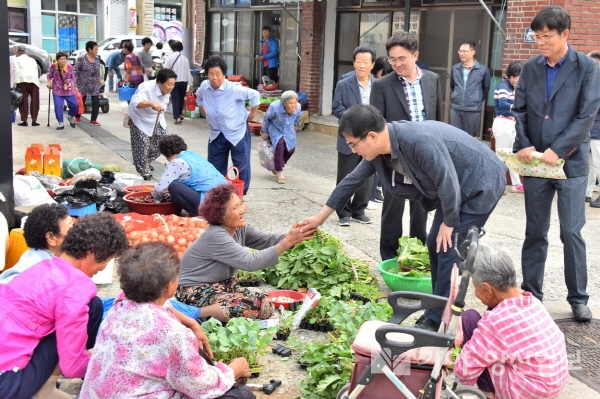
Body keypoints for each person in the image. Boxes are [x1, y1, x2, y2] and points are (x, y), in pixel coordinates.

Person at [302, 105, 506, 332]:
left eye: (353, 144)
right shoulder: (380, 152)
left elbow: (446, 180)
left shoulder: (418, 141)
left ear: (371, 136)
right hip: (457, 189)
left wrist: (449, 223)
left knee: (449, 248)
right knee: (433, 243)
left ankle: (438, 318)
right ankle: (438, 309)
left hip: (480, 183)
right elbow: (351, 181)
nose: (352, 151)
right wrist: (318, 218)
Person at [79, 242, 255, 399]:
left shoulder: (121, 303)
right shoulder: (171, 332)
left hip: (98, 393)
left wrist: (192, 323)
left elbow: (162, 304)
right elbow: (201, 385)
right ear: (169, 286)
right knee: (241, 395)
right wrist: (234, 369)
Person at [513, 5, 600, 322]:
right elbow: (519, 110)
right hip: (536, 163)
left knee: (571, 232)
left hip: (572, 165)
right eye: (536, 37)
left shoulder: (587, 68)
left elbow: (585, 116)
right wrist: (525, 144)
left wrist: (560, 149)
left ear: (565, 34)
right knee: (535, 231)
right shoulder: (532, 68)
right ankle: (531, 295)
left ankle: (578, 297)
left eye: (546, 36)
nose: (540, 42)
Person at [0, 213, 128, 399]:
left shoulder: (41, 267)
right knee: (92, 307)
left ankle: (44, 387)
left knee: (93, 306)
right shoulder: (76, 288)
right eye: (107, 260)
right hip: (7, 384)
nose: (103, 268)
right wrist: (109, 363)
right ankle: (56, 388)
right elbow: (72, 367)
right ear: (92, 252)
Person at [176, 184, 317, 322]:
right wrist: (288, 242)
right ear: (220, 217)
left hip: (222, 285)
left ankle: (214, 313)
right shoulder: (215, 235)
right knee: (254, 305)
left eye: (241, 203)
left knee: (265, 301)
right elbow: (251, 262)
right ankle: (193, 313)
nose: (242, 209)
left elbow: (266, 240)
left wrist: (296, 235)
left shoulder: (239, 228)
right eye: (235, 207)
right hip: (195, 290)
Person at [454, 245, 569, 399]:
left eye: (475, 288)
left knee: (469, 320)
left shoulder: (496, 321)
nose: (476, 294)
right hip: (553, 382)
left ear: (487, 288)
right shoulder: (531, 301)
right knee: (487, 341)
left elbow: (464, 371)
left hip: (528, 392)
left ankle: (490, 395)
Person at [370, 32, 444, 260]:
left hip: (425, 156)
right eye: (392, 59)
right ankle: (389, 258)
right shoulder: (382, 85)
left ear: (415, 55)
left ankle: (417, 255)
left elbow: (438, 118)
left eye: (401, 58)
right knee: (393, 208)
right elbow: (376, 123)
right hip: (395, 156)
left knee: (421, 209)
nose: (396, 64)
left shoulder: (432, 80)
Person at [196, 56, 260, 195]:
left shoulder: (233, 89)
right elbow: (199, 97)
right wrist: (205, 112)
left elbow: (255, 95)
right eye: (211, 74)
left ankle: (239, 196)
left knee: (241, 166)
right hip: (216, 133)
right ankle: (219, 197)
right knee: (214, 166)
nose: (214, 78)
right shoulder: (204, 87)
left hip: (236, 132)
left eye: (218, 74)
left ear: (224, 74)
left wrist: (252, 115)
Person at [332, 45, 376, 226]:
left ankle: (359, 210)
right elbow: (337, 108)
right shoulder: (343, 84)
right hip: (349, 136)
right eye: (359, 62)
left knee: (367, 175)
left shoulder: (379, 85)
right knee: (345, 175)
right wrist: (355, 120)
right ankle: (343, 211)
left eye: (366, 62)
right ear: (354, 63)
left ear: (372, 64)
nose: (362, 65)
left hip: (371, 138)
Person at [152, 134, 227, 216]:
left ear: (167, 154)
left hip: (212, 201)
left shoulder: (177, 162)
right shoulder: (193, 155)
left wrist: (156, 200)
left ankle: (200, 214)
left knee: (173, 186)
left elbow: (159, 189)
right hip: (226, 197)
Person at [0, 204, 72, 284]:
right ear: (51, 238)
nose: (76, 233)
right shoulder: (32, 272)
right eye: (71, 228)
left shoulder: (37, 256)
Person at [128, 68, 177, 180]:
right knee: (142, 145)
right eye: (168, 84)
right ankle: (143, 169)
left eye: (173, 84)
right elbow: (135, 102)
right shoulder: (146, 87)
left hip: (156, 118)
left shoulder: (167, 91)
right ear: (159, 82)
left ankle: (145, 161)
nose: (171, 87)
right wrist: (151, 103)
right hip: (140, 118)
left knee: (165, 142)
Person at [492, 61, 524, 194]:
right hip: (503, 122)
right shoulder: (503, 85)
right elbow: (503, 103)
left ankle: (516, 184)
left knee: (512, 155)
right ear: (512, 75)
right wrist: (518, 107)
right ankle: (494, 183)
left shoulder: (513, 87)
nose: (520, 79)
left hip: (511, 123)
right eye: (518, 76)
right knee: (501, 155)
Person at [449, 40, 491, 137]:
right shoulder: (455, 68)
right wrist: (457, 96)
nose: (462, 54)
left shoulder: (482, 69)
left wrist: (476, 99)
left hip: (472, 109)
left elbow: (485, 88)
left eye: (465, 51)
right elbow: (453, 85)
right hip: (456, 108)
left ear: (473, 52)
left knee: (469, 138)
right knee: (455, 136)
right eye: (460, 51)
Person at [261, 90, 301, 184]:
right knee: (280, 147)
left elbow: (298, 117)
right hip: (276, 129)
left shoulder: (298, 107)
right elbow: (266, 118)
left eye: (295, 102)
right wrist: (264, 131)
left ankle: (277, 164)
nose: (293, 105)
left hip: (289, 128)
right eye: (290, 103)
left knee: (291, 149)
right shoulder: (275, 107)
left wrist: (295, 125)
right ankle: (279, 172)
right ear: (284, 103)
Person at [368, 56, 392, 210]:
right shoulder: (374, 85)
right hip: (374, 130)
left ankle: (376, 191)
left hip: (388, 130)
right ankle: (369, 195)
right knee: (372, 165)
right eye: (382, 74)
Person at [46, 52, 78, 130]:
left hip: (69, 89)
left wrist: (76, 86)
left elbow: (73, 77)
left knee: (75, 105)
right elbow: (49, 75)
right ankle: (60, 122)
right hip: (57, 89)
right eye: (61, 59)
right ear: (57, 60)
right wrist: (49, 82)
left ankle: (71, 116)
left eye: (64, 59)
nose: (63, 61)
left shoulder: (70, 67)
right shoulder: (53, 66)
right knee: (58, 106)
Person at [74, 40, 102, 125]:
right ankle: (77, 116)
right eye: (95, 49)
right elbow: (75, 71)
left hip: (94, 83)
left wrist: (100, 80)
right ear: (89, 49)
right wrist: (75, 84)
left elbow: (97, 70)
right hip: (83, 83)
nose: (97, 51)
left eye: (97, 49)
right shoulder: (81, 59)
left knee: (96, 101)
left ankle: (93, 119)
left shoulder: (97, 59)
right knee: (81, 101)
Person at [164, 40, 193, 124]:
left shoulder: (169, 58)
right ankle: (179, 114)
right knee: (181, 99)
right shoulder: (185, 59)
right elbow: (188, 72)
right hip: (183, 82)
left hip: (173, 82)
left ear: (172, 48)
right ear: (181, 48)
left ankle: (177, 117)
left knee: (175, 99)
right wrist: (191, 83)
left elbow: (166, 70)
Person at [12, 44, 40, 127]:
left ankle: (24, 121)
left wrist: (15, 82)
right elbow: (36, 70)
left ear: (18, 51)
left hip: (22, 80)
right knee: (35, 101)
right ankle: (34, 120)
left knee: (23, 101)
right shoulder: (32, 60)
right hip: (33, 80)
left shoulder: (17, 59)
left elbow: (16, 71)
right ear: (25, 51)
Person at [586, 51, 600, 207]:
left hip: (597, 131)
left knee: (598, 164)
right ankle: (587, 193)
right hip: (589, 130)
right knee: (589, 164)